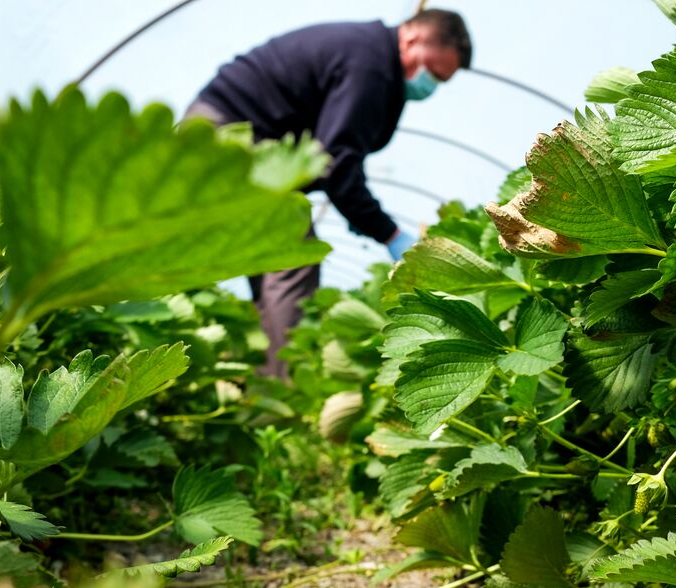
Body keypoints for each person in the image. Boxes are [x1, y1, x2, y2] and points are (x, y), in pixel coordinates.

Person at [184, 10, 473, 379]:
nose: (429, 84)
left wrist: (359, 211)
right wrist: (388, 233)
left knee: (265, 265)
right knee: (294, 259)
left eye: (439, 80)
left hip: (220, 134)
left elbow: (340, 152)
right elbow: (336, 163)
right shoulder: (371, 64)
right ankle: (282, 389)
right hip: (227, 139)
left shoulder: (368, 55)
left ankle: (259, 380)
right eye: (430, 70)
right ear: (412, 38)